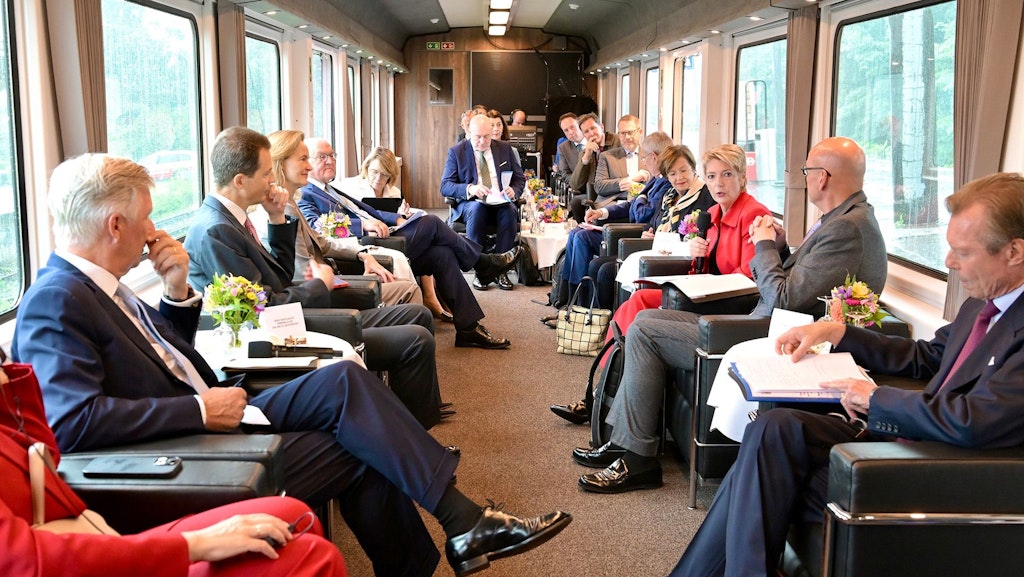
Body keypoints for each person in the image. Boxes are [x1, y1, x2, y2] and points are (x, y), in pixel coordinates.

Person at [12, 153, 572, 577]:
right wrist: (198, 409)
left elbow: (158, 361)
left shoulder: (101, 289)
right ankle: (461, 529)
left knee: (345, 383)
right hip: (180, 446)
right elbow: (72, 424)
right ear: (114, 225)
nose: (154, 232)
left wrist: (177, 294)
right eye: (146, 220)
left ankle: (462, 527)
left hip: (212, 406)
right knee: (361, 445)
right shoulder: (57, 299)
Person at [671, 171, 1024, 576]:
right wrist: (839, 332)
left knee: (758, 480)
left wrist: (878, 401)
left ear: (1014, 251)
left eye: (963, 252)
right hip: (910, 437)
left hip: (941, 470)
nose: (948, 262)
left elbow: (976, 421)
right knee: (772, 430)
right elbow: (928, 356)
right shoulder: (984, 304)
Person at [569, 137, 888, 491]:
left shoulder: (846, 227)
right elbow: (793, 285)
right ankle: (626, 443)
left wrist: (766, 245)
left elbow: (783, 297)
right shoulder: (841, 220)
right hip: (759, 320)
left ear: (823, 177)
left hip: (767, 333)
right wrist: (777, 248)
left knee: (645, 327)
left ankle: (636, 455)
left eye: (807, 171)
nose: (806, 178)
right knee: (643, 319)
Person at [184, 127, 443, 427]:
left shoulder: (233, 220)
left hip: (293, 316)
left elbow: (277, 279)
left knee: (418, 317)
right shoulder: (218, 230)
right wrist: (321, 284)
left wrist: (276, 218)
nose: (271, 180)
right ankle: (414, 435)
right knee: (417, 339)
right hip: (283, 331)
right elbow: (265, 308)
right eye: (267, 173)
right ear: (241, 181)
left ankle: (415, 427)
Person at [0, 356, 347, 577]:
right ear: (114, 232)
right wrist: (194, 544)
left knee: (290, 512)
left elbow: (41, 456)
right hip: (57, 556)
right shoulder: (59, 296)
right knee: (312, 557)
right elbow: (23, 561)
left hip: (77, 533)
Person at [300, 137, 519, 349]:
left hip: (381, 236)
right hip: (360, 250)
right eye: (321, 157)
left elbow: (369, 211)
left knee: (442, 255)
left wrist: (394, 218)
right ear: (307, 161)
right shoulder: (305, 194)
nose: (330, 160)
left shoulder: (330, 189)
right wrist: (362, 226)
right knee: (432, 222)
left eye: (332, 155)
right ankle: (482, 262)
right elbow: (317, 228)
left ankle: (468, 328)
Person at [607, 144, 777, 336]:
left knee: (640, 303)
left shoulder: (754, 214)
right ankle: (616, 360)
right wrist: (698, 257)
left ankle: (615, 361)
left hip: (730, 302)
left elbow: (750, 278)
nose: (718, 183)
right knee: (637, 299)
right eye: (711, 177)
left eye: (727, 174)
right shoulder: (712, 214)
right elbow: (702, 269)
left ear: (743, 177)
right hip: (707, 292)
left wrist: (705, 284)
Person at [260, 130, 421, 308]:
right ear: (281, 163)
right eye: (304, 159)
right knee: (411, 290)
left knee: (433, 254)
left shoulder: (293, 202)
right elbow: (301, 271)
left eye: (331, 156)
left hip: (330, 277)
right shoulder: (280, 211)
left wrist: (362, 253)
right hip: (318, 292)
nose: (309, 166)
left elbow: (323, 243)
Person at [551, 132, 675, 317]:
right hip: (625, 227)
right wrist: (602, 212)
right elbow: (628, 205)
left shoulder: (665, 183)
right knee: (577, 234)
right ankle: (569, 300)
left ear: (654, 157)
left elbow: (642, 212)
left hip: (636, 236)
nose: (644, 162)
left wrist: (639, 195)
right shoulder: (655, 179)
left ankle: (584, 310)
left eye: (644, 158)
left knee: (585, 241)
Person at [441, 114, 526, 291]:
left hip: (499, 199)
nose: (482, 141)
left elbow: (519, 179)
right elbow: (445, 186)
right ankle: (481, 268)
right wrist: (470, 188)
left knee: (509, 210)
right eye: (477, 137)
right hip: (471, 202)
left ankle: (501, 268)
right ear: (469, 133)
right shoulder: (457, 152)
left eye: (486, 136)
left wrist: (514, 190)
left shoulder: (504, 149)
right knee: (478, 208)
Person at [567, 113, 619, 223]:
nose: (591, 133)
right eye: (586, 131)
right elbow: (575, 184)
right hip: (596, 193)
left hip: (615, 190)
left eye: (593, 128)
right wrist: (586, 157)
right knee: (576, 202)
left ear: (601, 127)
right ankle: (586, 230)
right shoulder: (586, 150)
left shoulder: (617, 143)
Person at [336, 146, 402, 199]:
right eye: (374, 172)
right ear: (367, 168)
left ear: (390, 176)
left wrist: (403, 215)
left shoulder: (395, 193)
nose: (378, 178)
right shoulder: (349, 186)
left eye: (384, 174)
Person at [555, 112, 587, 179]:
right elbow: (565, 174)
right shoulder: (563, 148)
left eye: (572, 127)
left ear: (579, 125)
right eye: (566, 130)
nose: (571, 132)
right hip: (577, 187)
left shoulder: (593, 140)